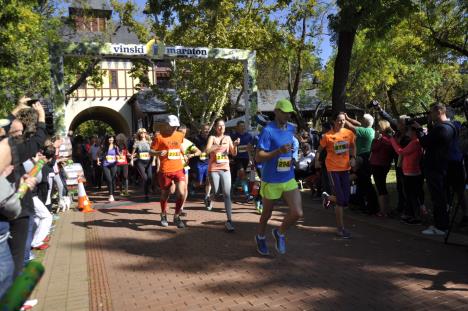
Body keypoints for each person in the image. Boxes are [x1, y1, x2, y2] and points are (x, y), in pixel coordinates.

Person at [254, 99, 303, 255]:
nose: (288, 115)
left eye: (289, 112)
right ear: (276, 112)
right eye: (284, 112)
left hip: (288, 177)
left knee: (297, 213)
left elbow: (293, 143)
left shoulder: (291, 128)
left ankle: (279, 232)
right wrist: (278, 152)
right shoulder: (268, 131)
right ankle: (260, 237)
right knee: (266, 214)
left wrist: (293, 154)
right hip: (271, 180)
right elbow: (258, 157)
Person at [415, 103, 457, 235]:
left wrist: (419, 130)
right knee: (440, 196)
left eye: (431, 113)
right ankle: (440, 224)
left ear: (439, 112)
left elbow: (425, 142)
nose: (430, 115)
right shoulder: (451, 127)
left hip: (435, 166)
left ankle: (441, 226)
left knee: (438, 196)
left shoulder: (441, 129)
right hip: (442, 165)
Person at [315, 112, 356, 239]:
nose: (342, 122)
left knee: (345, 200)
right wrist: (317, 160)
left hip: (345, 168)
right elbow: (319, 150)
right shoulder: (327, 136)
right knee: (340, 200)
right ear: (334, 121)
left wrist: (353, 157)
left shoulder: (349, 133)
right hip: (332, 169)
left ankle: (327, 198)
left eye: (343, 120)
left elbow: (353, 146)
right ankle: (340, 229)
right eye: (339, 120)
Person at [150, 115, 186, 228]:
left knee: (181, 193)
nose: (174, 128)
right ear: (166, 125)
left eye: (176, 126)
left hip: (179, 168)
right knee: (166, 194)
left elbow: (179, 146)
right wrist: (157, 153)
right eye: (172, 126)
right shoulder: (159, 137)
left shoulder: (180, 135)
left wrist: (185, 155)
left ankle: (176, 216)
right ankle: (163, 214)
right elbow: (151, 151)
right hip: (165, 170)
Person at [206, 119, 240, 231]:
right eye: (219, 126)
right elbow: (206, 150)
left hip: (225, 168)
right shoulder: (212, 138)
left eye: (223, 126)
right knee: (216, 192)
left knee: (227, 194)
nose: (221, 128)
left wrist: (235, 145)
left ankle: (229, 220)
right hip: (214, 168)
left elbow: (233, 153)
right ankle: (210, 198)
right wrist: (216, 146)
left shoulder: (228, 138)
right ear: (215, 127)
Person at [344, 113, 379, 214]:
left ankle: (372, 207)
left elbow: (351, 127)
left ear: (365, 122)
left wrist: (341, 118)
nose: (360, 120)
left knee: (365, 182)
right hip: (364, 159)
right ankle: (362, 204)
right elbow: (356, 123)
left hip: (363, 160)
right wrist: (348, 118)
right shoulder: (369, 129)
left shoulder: (365, 131)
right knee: (361, 182)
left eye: (361, 119)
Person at [390, 125, 424, 224]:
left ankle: (416, 217)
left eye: (409, 130)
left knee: (412, 195)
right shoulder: (414, 142)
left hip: (412, 172)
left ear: (413, 132)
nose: (407, 132)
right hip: (409, 171)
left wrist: (392, 140)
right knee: (409, 194)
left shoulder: (415, 142)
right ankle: (411, 214)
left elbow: (401, 151)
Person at [369, 120, 395, 217]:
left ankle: (383, 211)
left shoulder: (381, 139)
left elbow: (373, 148)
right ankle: (387, 209)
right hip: (385, 164)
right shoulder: (390, 138)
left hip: (377, 164)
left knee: (380, 188)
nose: (377, 129)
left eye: (378, 127)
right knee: (383, 186)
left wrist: (375, 139)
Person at [178, 125, 201, 214]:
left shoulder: (187, 143)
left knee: (184, 189)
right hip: (173, 168)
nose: (182, 134)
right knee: (173, 190)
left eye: (184, 133)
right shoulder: (172, 141)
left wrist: (191, 155)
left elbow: (198, 151)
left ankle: (181, 208)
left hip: (184, 167)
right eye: (180, 132)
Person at [230, 120, 253, 200]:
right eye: (240, 126)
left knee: (242, 176)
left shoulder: (249, 136)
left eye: (243, 126)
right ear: (237, 127)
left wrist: (250, 158)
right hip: (237, 158)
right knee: (242, 174)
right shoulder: (234, 136)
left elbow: (250, 148)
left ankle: (232, 188)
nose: (242, 128)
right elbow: (231, 148)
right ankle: (247, 194)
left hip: (246, 158)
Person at [131, 128, 153, 201]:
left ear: (146, 133)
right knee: (145, 178)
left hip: (149, 162)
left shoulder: (149, 142)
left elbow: (153, 151)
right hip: (140, 162)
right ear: (139, 134)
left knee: (149, 177)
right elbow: (133, 153)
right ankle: (146, 195)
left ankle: (148, 188)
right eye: (141, 133)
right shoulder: (137, 142)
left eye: (144, 132)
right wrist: (131, 160)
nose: (143, 134)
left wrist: (154, 160)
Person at [192, 124, 211, 207]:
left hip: (208, 162)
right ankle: (191, 185)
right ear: (201, 130)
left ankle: (207, 196)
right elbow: (191, 148)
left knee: (208, 179)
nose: (206, 131)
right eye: (205, 129)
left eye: (208, 129)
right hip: (199, 162)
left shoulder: (211, 138)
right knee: (199, 183)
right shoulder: (196, 138)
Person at [98, 135, 119, 202]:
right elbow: (98, 154)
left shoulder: (115, 147)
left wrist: (118, 157)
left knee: (112, 179)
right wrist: (98, 160)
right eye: (110, 139)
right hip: (105, 165)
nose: (111, 140)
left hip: (113, 164)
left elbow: (118, 154)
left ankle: (112, 192)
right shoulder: (103, 146)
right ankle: (111, 195)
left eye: (112, 139)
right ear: (107, 140)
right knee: (109, 179)